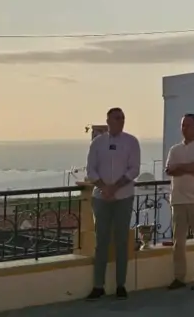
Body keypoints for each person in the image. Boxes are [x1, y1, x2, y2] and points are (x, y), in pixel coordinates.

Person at [84, 107, 141, 301]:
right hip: (101, 198)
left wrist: (115, 187)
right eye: (117, 118)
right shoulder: (97, 143)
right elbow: (90, 169)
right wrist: (103, 187)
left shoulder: (131, 142)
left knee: (122, 241)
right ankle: (98, 285)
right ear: (108, 120)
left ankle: (120, 285)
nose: (121, 120)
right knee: (101, 241)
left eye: (123, 118)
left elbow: (134, 169)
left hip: (123, 197)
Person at [165, 113, 194, 291]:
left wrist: (181, 167)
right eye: (183, 125)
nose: (185, 129)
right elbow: (170, 170)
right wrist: (187, 168)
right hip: (178, 200)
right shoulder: (174, 150)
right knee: (178, 242)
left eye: (188, 125)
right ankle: (179, 277)